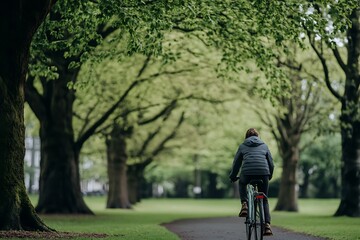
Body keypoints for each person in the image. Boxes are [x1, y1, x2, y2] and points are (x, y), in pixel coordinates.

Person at [229, 128, 274, 236]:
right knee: (264, 199)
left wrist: (233, 176)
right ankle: (267, 226)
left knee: (242, 183)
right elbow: (271, 163)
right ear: (258, 136)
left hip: (247, 173)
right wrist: (269, 175)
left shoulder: (243, 146)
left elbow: (236, 163)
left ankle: (244, 204)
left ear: (246, 136)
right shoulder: (264, 145)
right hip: (264, 173)